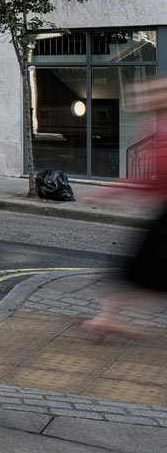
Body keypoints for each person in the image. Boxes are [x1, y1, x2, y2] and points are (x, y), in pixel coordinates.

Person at [82, 76, 167, 339]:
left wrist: (108, 192)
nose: (148, 97)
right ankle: (104, 320)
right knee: (140, 271)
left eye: (156, 92)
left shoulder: (158, 127)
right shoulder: (154, 126)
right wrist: (109, 192)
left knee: (142, 271)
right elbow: (146, 178)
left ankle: (104, 320)